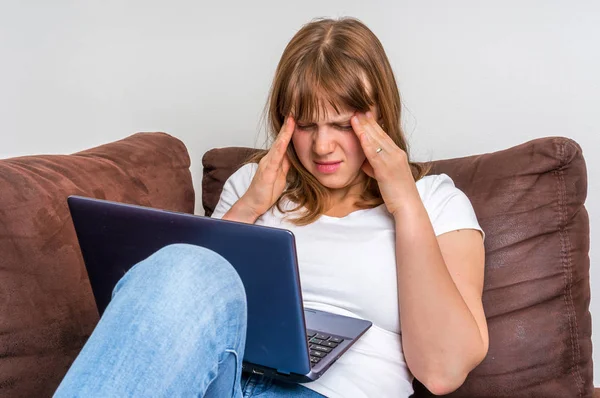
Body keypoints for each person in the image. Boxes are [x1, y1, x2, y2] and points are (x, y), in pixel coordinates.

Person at [54, 16, 488, 398]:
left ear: (381, 115)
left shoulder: (435, 201)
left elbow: (442, 372)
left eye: (342, 125)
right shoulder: (251, 186)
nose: (322, 146)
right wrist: (252, 205)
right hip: (221, 381)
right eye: (307, 124)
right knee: (183, 263)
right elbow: (188, 312)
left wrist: (405, 205)